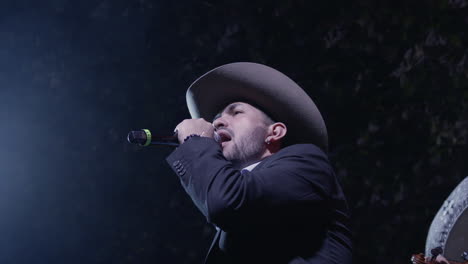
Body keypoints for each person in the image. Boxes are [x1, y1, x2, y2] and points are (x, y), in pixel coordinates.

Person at [166, 62, 352, 264]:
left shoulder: (308, 162)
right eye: (217, 118)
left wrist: (195, 139)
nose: (217, 122)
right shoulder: (236, 198)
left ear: (275, 132)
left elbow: (227, 202)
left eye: (236, 112)